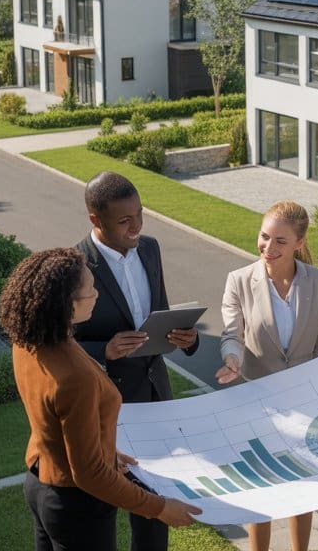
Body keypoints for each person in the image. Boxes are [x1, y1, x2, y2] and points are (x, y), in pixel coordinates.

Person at [0, 247, 201, 551]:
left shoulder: (29, 342)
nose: (97, 294)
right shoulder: (75, 375)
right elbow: (90, 474)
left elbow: (58, 424)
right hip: (76, 508)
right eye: (90, 290)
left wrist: (106, 450)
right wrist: (158, 507)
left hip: (39, 483)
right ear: (66, 304)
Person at [75, 171, 200, 551]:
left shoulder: (150, 248)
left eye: (140, 215)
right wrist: (104, 351)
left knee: (156, 507)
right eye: (124, 220)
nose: (136, 227)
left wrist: (186, 338)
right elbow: (60, 343)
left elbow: (157, 313)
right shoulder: (74, 265)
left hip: (155, 394)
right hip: (106, 405)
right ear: (96, 220)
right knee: (103, 510)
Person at [216, 201, 318, 551]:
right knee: (263, 489)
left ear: (299, 242)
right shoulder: (239, 280)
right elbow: (231, 334)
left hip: (305, 403)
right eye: (265, 237)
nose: (269, 248)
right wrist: (232, 360)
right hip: (257, 403)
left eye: (280, 241)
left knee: (304, 487)